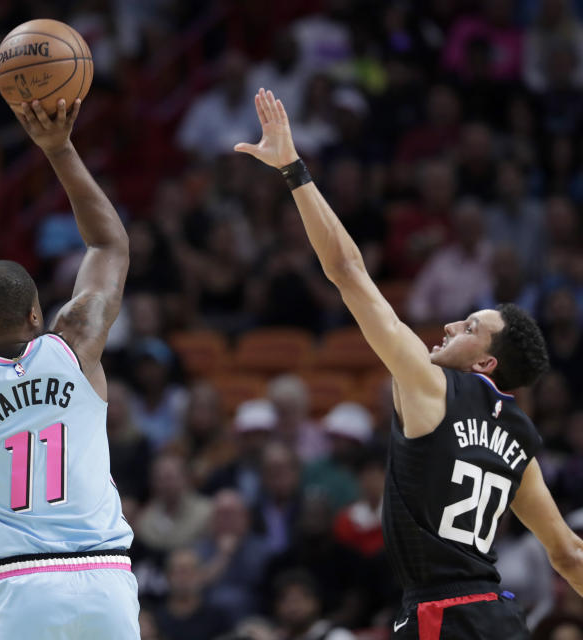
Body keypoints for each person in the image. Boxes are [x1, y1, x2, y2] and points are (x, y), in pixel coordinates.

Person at [236, 88, 583, 638]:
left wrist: (294, 171)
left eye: (470, 328)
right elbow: (567, 554)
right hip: (499, 617)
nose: (450, 327)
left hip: (440, 617)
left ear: (487, 364)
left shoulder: (431, 385)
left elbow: (349, 272)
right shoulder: (522, 439)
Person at [0, 70, 137, 638]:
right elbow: (109, 244)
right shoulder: (76, 346)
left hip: (20, 587)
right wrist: (59, 148)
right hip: (105, 576)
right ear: (38, 314)